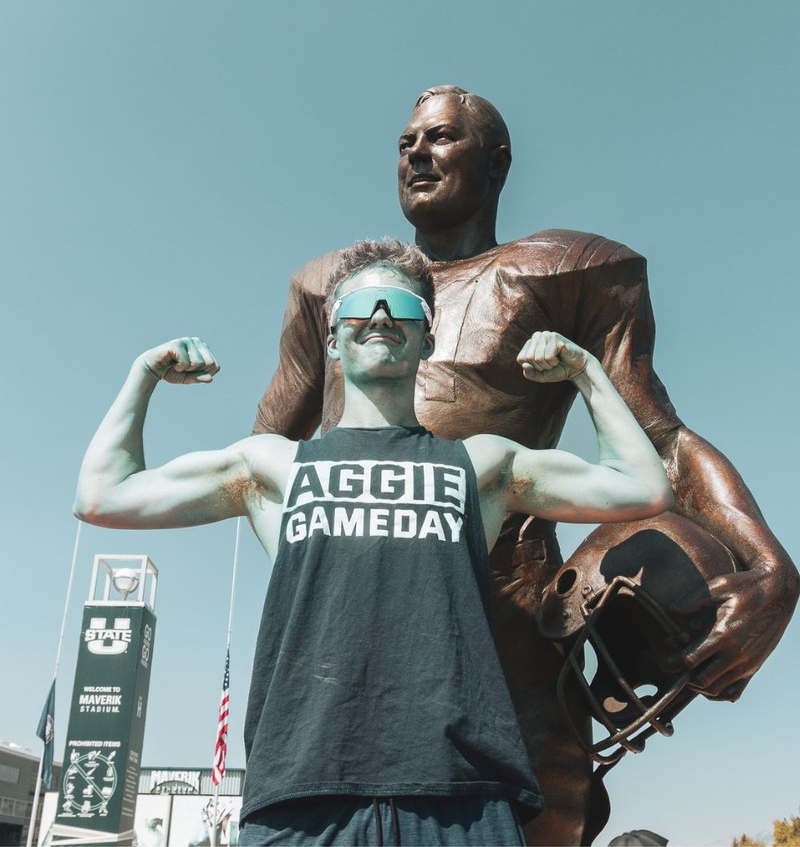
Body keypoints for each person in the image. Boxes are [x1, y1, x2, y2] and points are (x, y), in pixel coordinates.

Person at [252, 86, 799, 846]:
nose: (415, 151)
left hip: (507, 609)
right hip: (363, 616)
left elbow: (663, 441)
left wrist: (771, 568)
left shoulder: (566, 270)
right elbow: (265, 459)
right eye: (406, 140)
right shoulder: (332, 290)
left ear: (497, 162)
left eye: (441, 137)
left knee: (545, 809)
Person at [74, 240, 674, 847]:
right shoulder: (272, 468)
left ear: (428, 339)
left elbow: (642, 488)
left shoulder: (483, 465)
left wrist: (588, 374)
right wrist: (142, 377)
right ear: (332, 339)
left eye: (403, 307)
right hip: (304, 792)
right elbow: (103, 496)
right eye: (363, 305)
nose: (383, 317)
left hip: (462, 796)